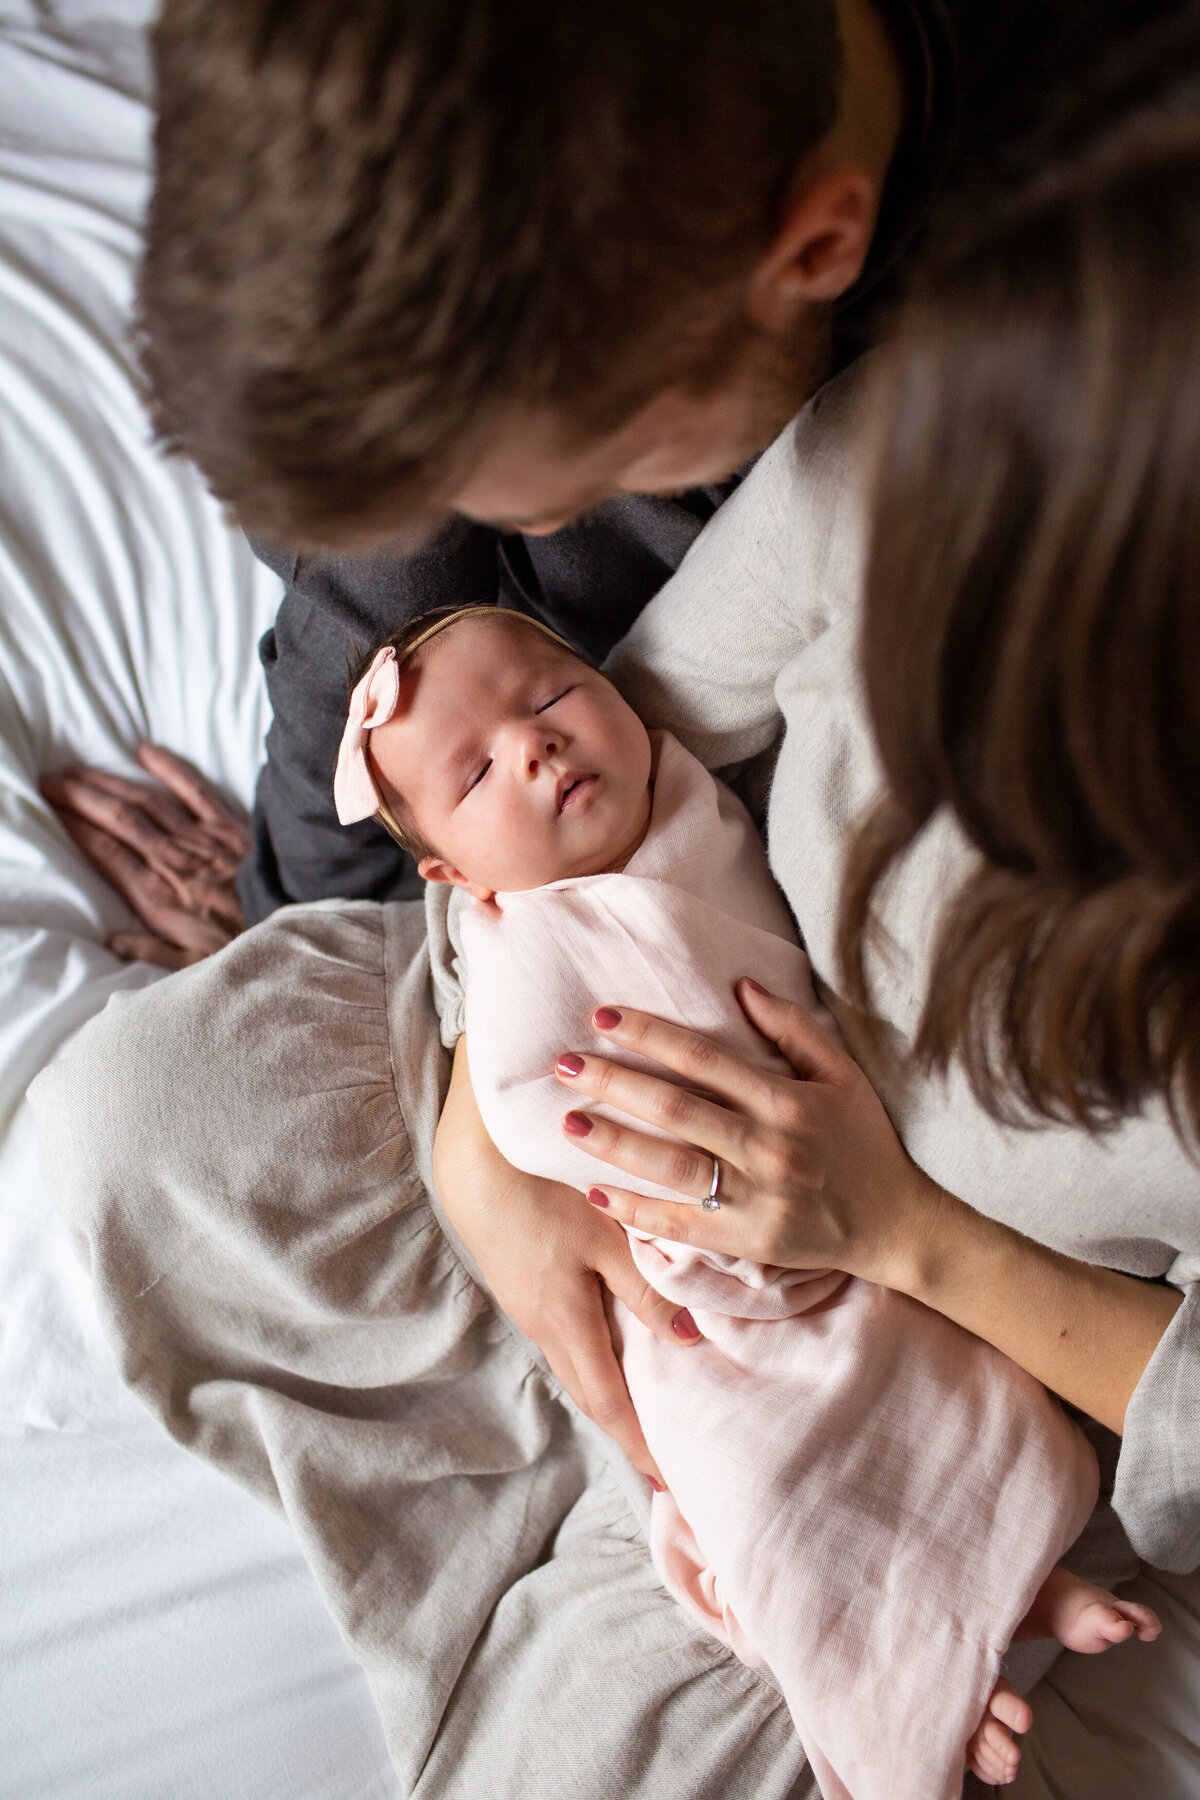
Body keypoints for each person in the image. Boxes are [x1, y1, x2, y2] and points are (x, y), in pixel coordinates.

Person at [39, 0, 1190, 1487]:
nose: (489, 554)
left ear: (817, 260)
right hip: (600, 915)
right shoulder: (541, 141)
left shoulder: (1022, 357)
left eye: (542, 499)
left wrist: (897, 1233)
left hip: (950, 1265)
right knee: (137, 1124)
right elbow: (395, 602)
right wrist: (408, 1025)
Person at [329, 600, 1152, 1795]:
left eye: (550, 696)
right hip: (707, 1299)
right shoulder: (520, 952)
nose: (537, 746)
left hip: (864, 1196)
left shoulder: (686, 792)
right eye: (478, 770)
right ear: (459, 879)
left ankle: (1006, 1589)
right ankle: (904, 1676)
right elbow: (532, 1108)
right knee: (763, 1498)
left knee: (965, 1393)